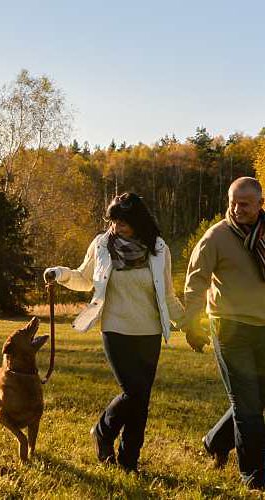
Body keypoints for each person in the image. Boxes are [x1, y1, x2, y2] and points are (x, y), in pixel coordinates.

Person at [44, 192, 184, 472]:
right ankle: (103, 431)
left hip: (149, 333)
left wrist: (188, 324)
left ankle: (129, 461)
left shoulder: (158, 249)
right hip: (115, 328)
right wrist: (59, 274)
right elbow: (85, 279)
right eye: (113, 221)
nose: (116, 227)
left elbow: (167, 295)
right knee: (133, 392)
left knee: (141, 401)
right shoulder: (102, 245)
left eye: (123, 222)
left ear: (138, 221)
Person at [183, 176, 265, 490]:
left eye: (245, 203)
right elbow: (195, 283)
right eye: (232, 202)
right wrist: (192, 324)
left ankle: (215, 442)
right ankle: (254, 475)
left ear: (260, 204)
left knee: (255, 402)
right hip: (230, 329)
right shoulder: (215, 236)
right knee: (247, 406)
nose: (237, 208)